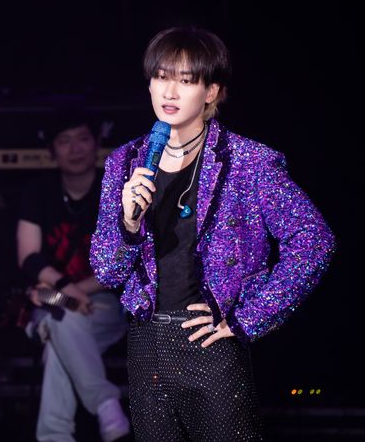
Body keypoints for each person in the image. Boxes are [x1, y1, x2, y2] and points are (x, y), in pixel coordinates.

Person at [90, 26, 336, 440]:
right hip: (147, 347)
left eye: (186, 81)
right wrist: (128, 224)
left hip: (211, 347)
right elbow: (106, 271)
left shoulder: (247, 162)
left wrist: (248, 316)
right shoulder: (125, 162)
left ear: (211, 92)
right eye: (161, 77)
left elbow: (314, 240)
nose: (170, 91)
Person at [17, 112, 130, 442]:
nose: (75, 149)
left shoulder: (116, 191)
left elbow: (123, 261)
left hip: (103, 304)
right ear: (52, 151)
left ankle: (55, 435)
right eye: (65, 141)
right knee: (63, 317)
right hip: (53, 300)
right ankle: (106, 405)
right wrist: (65, 288)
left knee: (60, 333)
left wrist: (74, 291)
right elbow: (28, 256)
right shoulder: (37, 192)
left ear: (97, 144)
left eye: (82, 139)